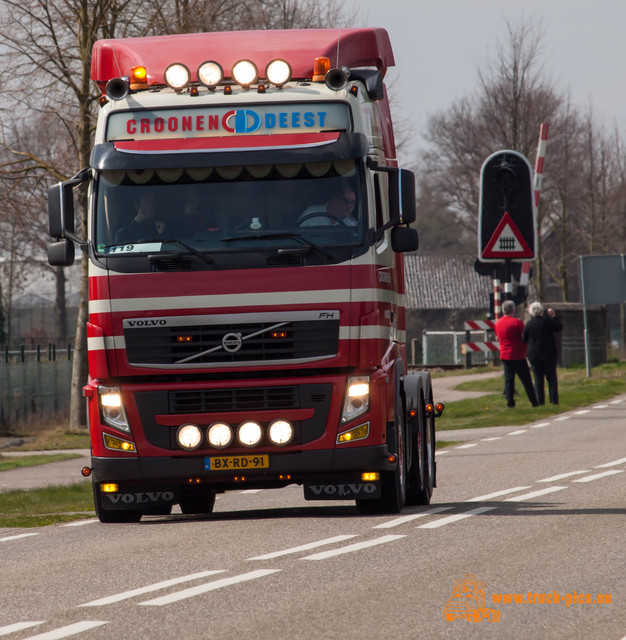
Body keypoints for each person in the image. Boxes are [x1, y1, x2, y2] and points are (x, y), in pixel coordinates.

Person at [495, 299, 538, 408]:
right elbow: (524, 337)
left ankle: (510, 402)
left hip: (504, 354)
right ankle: (534, 401)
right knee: (526, 380)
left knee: (509, 379)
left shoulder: (498, 323)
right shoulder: (517, 323)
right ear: (513, 309)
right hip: (517, 354)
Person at [522, 302, 563, 405]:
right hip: (548, 354)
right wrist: (553, 316)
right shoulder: (547, 321)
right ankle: (554, 400)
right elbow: (559, 327)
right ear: (541, 311)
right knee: (551, 378)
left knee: (538, 378)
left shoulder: (529, 324)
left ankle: (540, 401)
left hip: (534, 355)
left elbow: (524, 338)